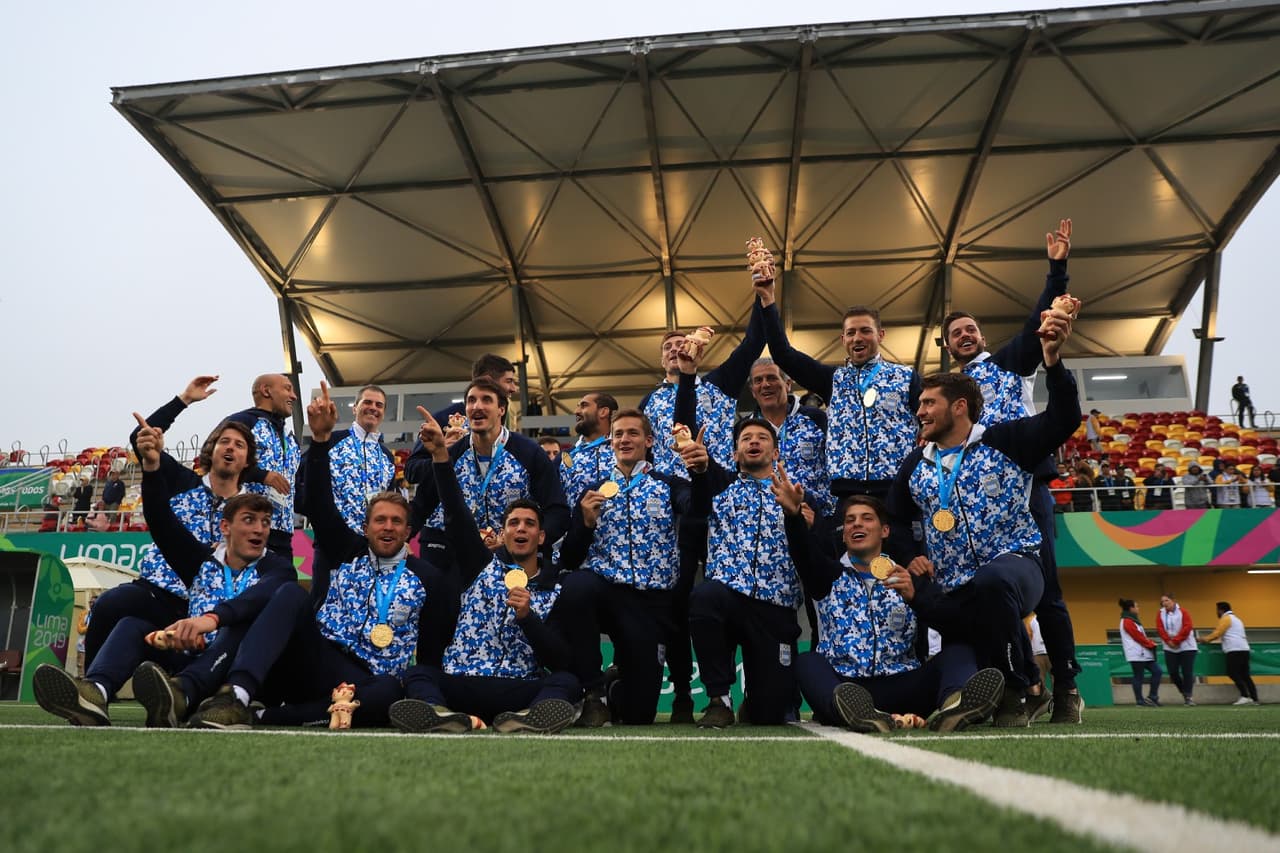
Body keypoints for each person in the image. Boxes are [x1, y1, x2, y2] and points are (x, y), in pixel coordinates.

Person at [187, 384, 449, 729]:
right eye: (380, 520)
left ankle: (261, 715)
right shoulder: (348, 552)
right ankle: (233, 694)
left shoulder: (426, 577)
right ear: (366, 528)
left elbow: (428, 658)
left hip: (371, 678)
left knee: (391, 692)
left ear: (408, 530)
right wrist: (321, 441)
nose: (388, 528)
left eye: (397, 521)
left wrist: (442, 457)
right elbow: (320, 506)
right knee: (291, 593)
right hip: (320, 660)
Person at [32, 413, 293, 727]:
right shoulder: (203, 562)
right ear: (225, 527)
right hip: (179, 626)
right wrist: (152, 467)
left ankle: (183, 696)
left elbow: (270, 596)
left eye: (263, 522)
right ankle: (96, 691)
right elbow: (161, 522)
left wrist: (210, 621)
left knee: (236, 628)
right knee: (127, 620)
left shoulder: (271, 567)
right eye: (248, 520)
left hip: (226, 666)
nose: (257, 529)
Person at [888, 307, 1080, 726]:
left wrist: (1053, 361)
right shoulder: (915, 464)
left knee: (994, 582)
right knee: (927, 602)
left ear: (959, 407)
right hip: (955, 587)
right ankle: (968, 696)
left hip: (1016, 568)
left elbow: (1065, 419)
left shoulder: (1007, 440)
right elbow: (895, 521)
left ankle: (1021, 687)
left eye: (927, 404)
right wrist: (911, 554)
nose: (918, 412)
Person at [389, 411, 580, 734]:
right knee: (418, 674)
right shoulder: (478, 565)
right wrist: (439, 456)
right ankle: (439, 714)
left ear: (542, 535)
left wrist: (528, 617)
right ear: (502, 534)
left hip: (518, 687)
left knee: (568, 680)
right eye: (513, 524)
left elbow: (559, 658)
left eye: (529, 524)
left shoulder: (556, 588)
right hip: (463, 681)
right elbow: (455, 512)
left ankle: (526, 718)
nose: (521, 529)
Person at [783, 490, 1005, 733]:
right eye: (850, 520)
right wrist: (793, 516)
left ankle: (955, 706)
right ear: (844, 535)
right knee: (807, 662)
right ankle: (856, 713)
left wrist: (916, 598)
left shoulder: (907, 578)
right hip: (847, 685)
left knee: (959, 649)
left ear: (885, 531)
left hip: (904, 685)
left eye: (867, 518)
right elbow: (803, 552)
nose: (857, 523)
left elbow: (957, 625)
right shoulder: (827, 575)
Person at [86, 377, 258, 669]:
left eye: (239, 445)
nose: (230, 448)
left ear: (247, 460)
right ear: (211, 450)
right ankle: (89, 691)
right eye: (224, 441)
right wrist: (184, 400)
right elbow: (141, 439)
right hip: (157, 593)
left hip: (208, 609)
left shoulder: (250, 509)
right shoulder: (181, 480)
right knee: (110, 605)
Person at [556, 409, 694, 725]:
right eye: (618, 434)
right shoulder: (594, 490)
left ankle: (617, 686)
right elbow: (571, 559)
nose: (624, 439)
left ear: (648, 441)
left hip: (650, 600)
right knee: (575, 587)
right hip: (606, 592)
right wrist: (586, 523)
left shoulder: (668, 484)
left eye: (632, 433)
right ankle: (594, 693)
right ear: (610, 442)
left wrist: (699, 473)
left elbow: (695, 507)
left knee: (639, 714)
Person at [680, 402, 804, 728]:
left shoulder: (796, 496)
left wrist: (801, 515)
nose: (753, 441)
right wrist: (701, 467)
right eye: (746, 438)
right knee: (704, 597)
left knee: (769, 716)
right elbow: (701, 474)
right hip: (728, 595)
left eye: (762, 437)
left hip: (775, 604)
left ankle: (760, 701)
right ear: (735, 454)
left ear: (776, 452)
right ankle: (719, 699)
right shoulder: (718, 486)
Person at [409, 377, 569, 569]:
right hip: (459, 560)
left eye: (486, 400)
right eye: (471, 400)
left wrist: (528, 541)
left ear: (501, 409)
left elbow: (557, 510)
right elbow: (421, 506)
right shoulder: (451, 454)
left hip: (512, 560)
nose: (477, 406)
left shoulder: (529, 453)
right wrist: (398, 536)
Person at [403, 353, 521, 484]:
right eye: (509, 381)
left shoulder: (507, 424)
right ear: (487, 380)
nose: (513, 389)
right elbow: (411, 472)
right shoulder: (444, 419)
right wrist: (440, 456)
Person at [298, 384, 396, 536]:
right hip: (332, 541)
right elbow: (299, 477)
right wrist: (319, 515)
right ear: (355, 408)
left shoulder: (387, 456)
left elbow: (390, 501)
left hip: (371, 543)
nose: (373, 408)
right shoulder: (331, 441)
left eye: (379, 405)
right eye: (367, 402)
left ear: (383, 412)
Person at [224, 373, 300, 558]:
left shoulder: (290, 437)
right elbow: (214, 461)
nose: (294, 396)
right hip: (246, 530)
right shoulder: (242, 423)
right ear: (266, 390)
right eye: (287, 388)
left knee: (283, 584)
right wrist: (261, 475)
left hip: (283, 534)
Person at [559, 392, 618, 507]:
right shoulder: (566, 457)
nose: (576, 411)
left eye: (584, 405)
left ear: (603, 412)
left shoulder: (623, 450)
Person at [1201, 601, 1259, 705]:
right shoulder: (1237, 619)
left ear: (1221, 610)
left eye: (1217, 610)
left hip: (1234, 649)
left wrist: (1205, 639)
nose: (1216, 613)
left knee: (1232, 672)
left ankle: (1245, 695)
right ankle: (1254, 699)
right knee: (1245, 675)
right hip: (1244, 649)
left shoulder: (1226, 618)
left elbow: (1218, 633)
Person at [1119, 598, 1161, 706]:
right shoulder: (1127, 620)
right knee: (1139, 676)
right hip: (1136, 653)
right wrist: (1150, 644)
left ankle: (1152, 697)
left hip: (1143, 653)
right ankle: (1140, 700)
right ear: (1131, 608)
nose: (1138, 608)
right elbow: (1137, 636)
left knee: (1157, 671)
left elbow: (1140, 635)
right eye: (1136, 606)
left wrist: (1148, 644)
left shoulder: (1132, 619)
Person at [1156, 593, 1197, 706]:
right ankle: (1184, 691)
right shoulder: (1160, 613)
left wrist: (1176, 640)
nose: (1165, 603)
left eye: (1167, 600)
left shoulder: (1183, 612)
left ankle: (1188, 696)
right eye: (1163, 601)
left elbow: (1187, 627)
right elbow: (1160, 628)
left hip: (1186, 646)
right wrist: (1169, 641)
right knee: (1173, 672)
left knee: (1187, 672)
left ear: (1173, 601)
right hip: (1169, 646)